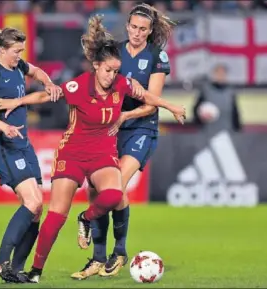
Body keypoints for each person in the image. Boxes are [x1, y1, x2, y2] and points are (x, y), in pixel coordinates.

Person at [0, 15, 186, 284]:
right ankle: (35, 270)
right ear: (96, 66)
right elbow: (48, 94)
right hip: (71, 154)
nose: (113, 76)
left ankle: (87, 219)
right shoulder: (78, 86)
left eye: (117, 71)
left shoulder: (121, 83)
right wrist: (18, 101)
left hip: (102, 154)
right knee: (56, 215)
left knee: (115, 194)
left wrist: (171, 107)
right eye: (108, 71)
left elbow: (146, 96)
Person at [71, 3, 177, 280]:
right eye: (133, 27)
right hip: (110, 130)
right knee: (96, 191)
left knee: (115, 185)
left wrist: (125, 114)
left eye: (143, 29)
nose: (137, 33)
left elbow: (151, 104)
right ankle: (97, 257)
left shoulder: (157, 56)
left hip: (141, 129)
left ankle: (119, 251)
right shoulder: (115, 51)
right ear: (127, 26)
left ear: (150, 30)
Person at [0, 27, 62, 282]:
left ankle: (18, 268)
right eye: (16, 52)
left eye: (22, 51)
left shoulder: (18, 66)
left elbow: (38, 71)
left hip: (23, 144)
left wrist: (48, 82)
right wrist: (4, 127)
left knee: (37, 209)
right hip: (4, 146)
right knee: (32, 203)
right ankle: (1, 262)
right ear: (1, 50)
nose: (20, 56)